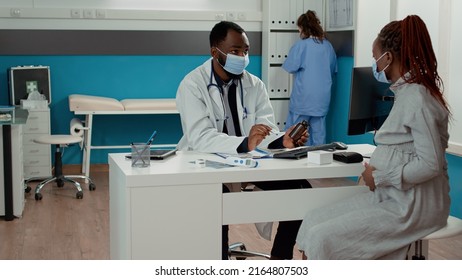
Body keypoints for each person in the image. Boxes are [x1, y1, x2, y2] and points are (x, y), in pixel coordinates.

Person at [295, 15, 451, 259]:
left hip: (412, 206)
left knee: (321, 236)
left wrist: (379, 176)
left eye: (375, 57)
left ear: (387, 57)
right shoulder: (406, 93)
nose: (375, 66)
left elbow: (430, 164)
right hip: (391, 195)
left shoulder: (418, 98)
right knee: (312, 220)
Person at [175, 21, 311, 260]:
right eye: (235, 51)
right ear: (215, 51)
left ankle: (281, 258)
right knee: (218, 208)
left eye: (246, 51)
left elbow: (265, 130)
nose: (242, 57)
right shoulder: (192, 84)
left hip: (249, 163)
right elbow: (200, 138)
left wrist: (283, 141)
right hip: (208, 166)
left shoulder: (254, 84)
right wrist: (244, 143)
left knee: (300, 191)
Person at [282, 10, 337, 146]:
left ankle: (295, 162)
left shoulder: (301, 45)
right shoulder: (328, 46)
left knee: (295, 134)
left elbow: (290, 67)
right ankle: (318, 162)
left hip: (304, 99)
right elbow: (332, 69)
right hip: (321, 99)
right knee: (319, 134)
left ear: (302, 28)